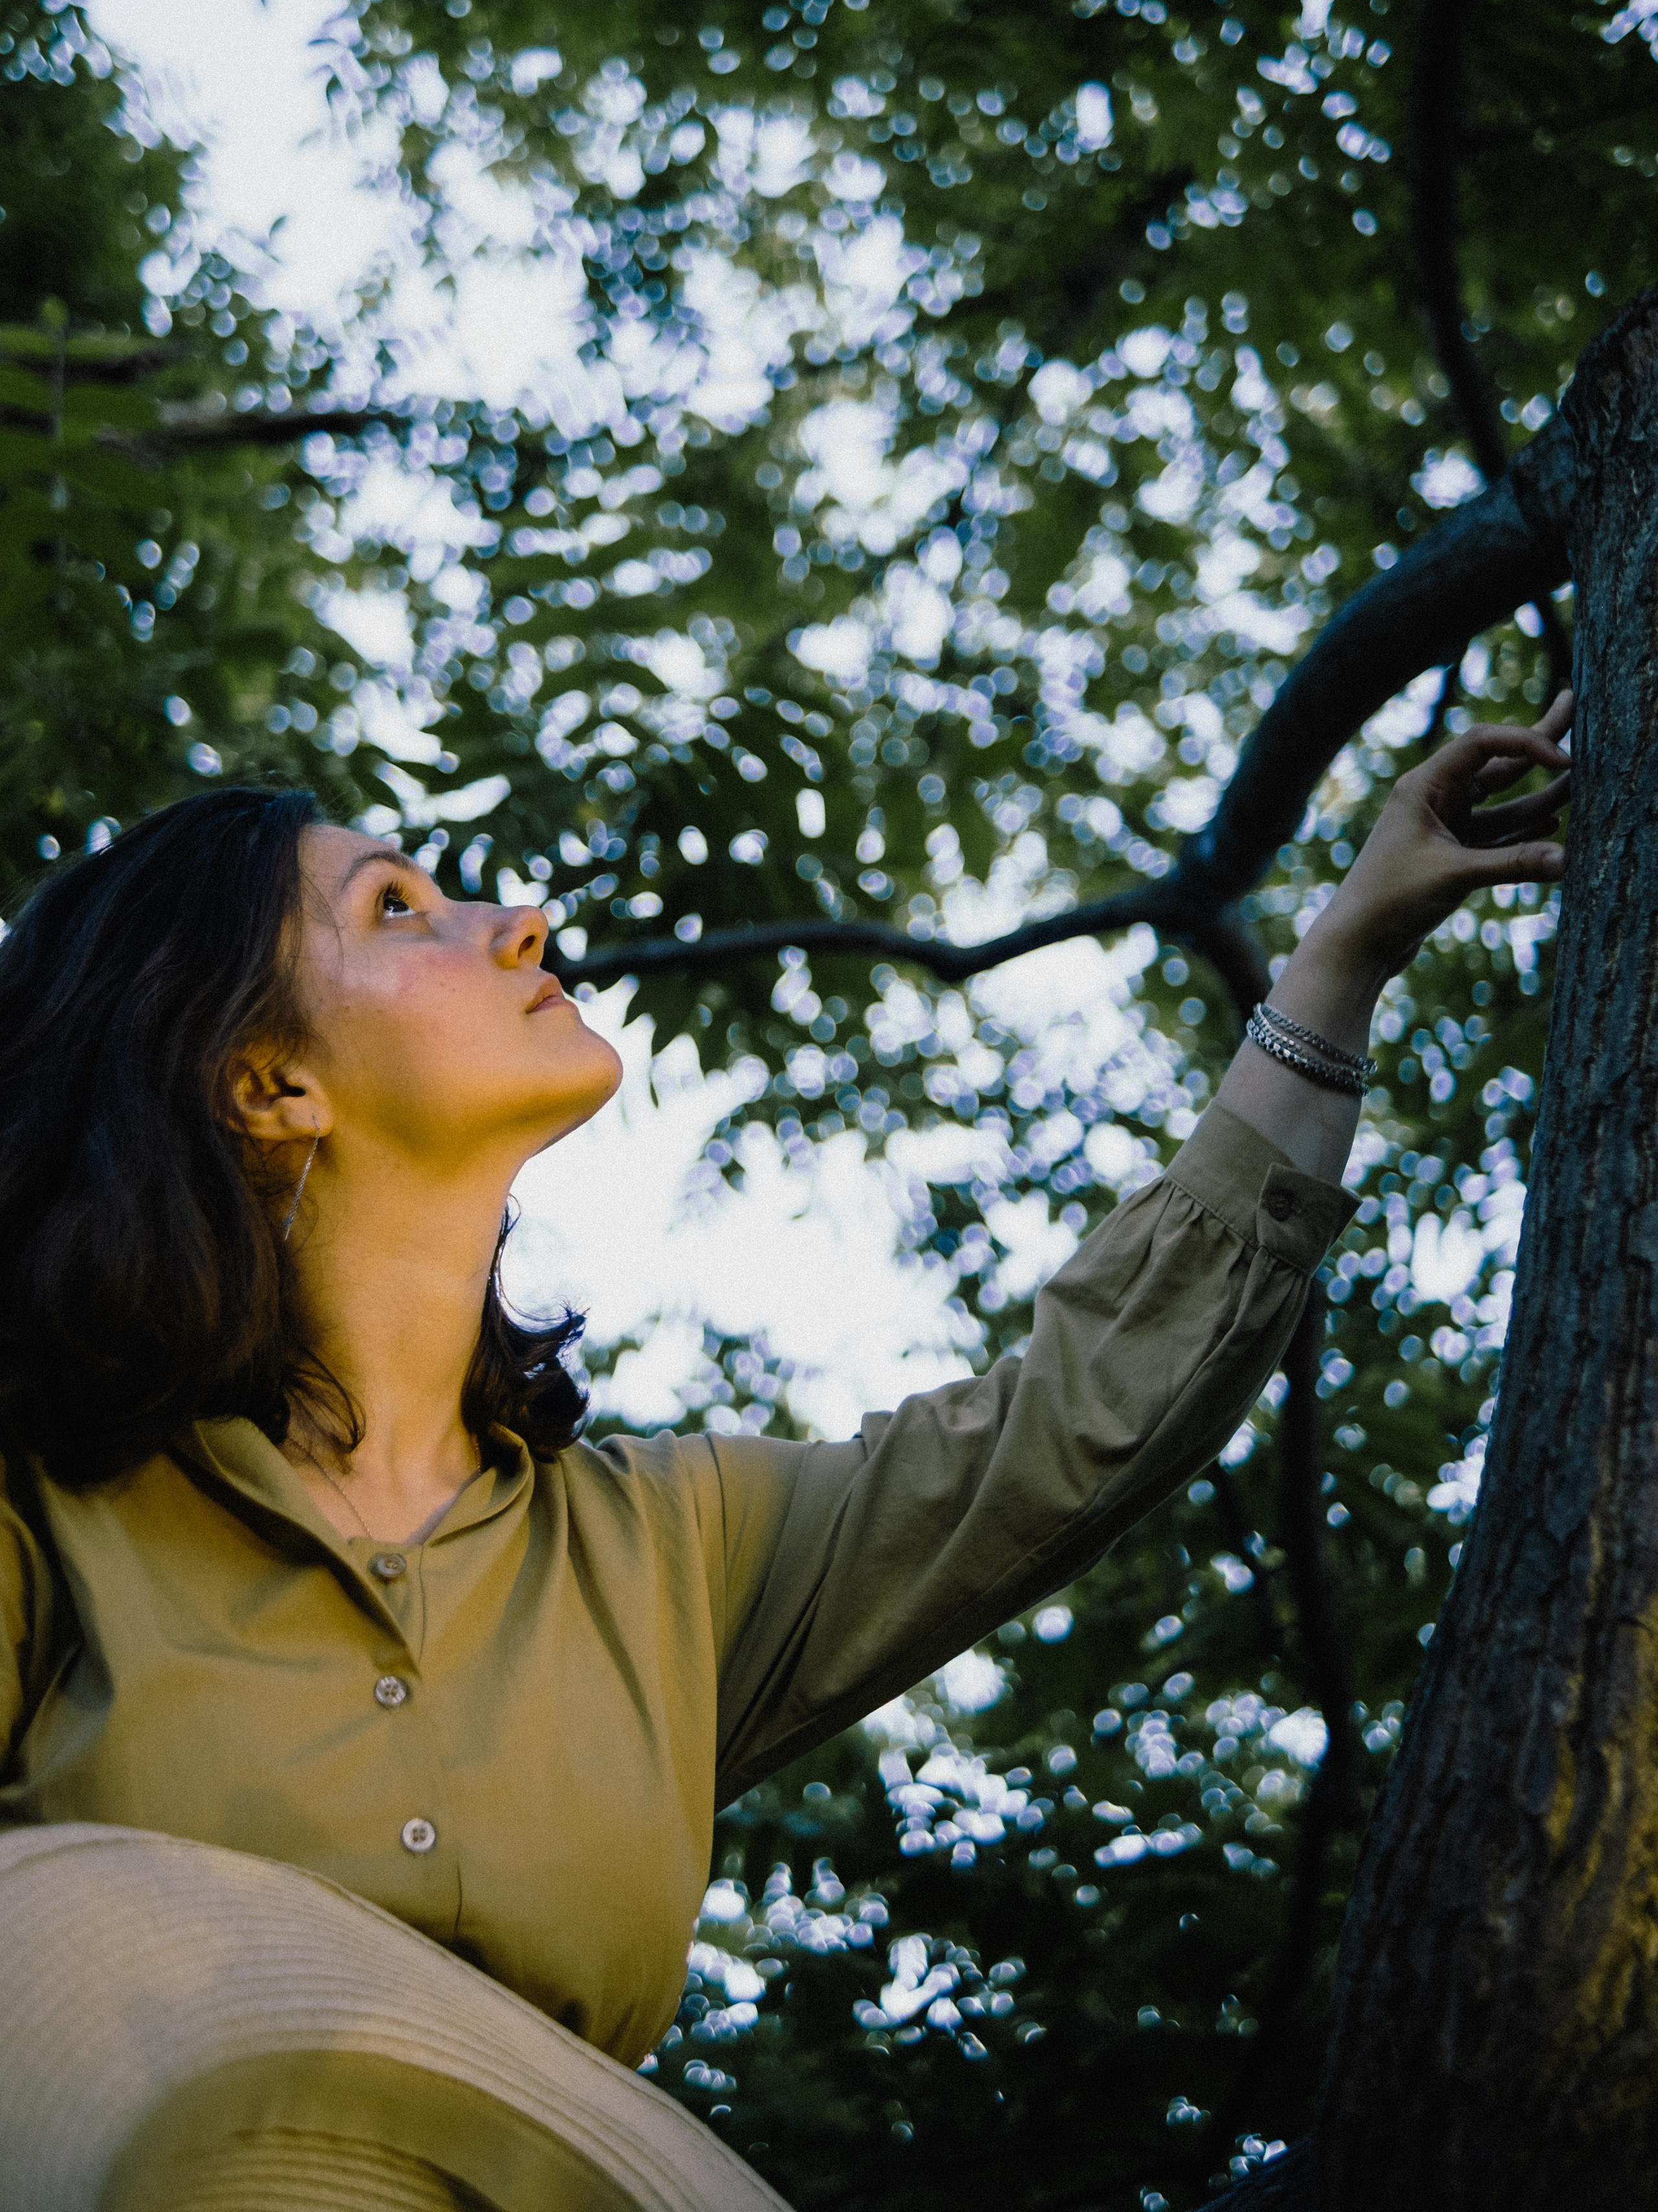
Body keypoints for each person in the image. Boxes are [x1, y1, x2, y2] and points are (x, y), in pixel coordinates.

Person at [0, 699, 1571, 2211]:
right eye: (402, 908)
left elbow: (1064, 1428)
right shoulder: (48, 1516)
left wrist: (1340, 955)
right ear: (269, 1082)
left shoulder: (678, 1550)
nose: (520, 920)